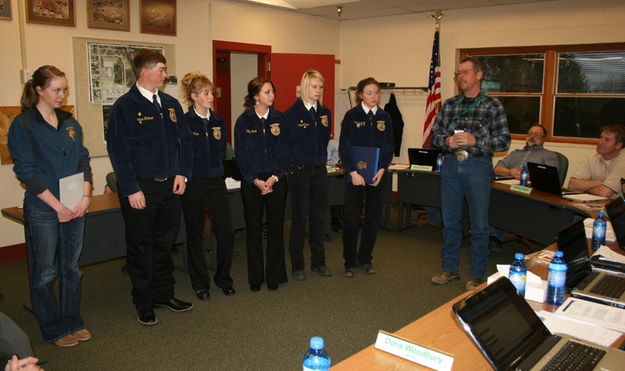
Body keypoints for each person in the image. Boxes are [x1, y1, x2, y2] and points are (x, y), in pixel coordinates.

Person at [106, 49, 193, 326]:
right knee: (141, 246)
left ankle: (163, 294)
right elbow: (119, 153)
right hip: (140, 187)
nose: (165, 75)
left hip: (169, 186)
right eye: (161, 69)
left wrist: (182, 173)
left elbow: (184, 142)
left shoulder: (169, 104)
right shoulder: (125, 107)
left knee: (164, 244)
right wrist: (131, 189)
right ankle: (143, 302)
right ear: (145, 71)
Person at [7, 65, 92, 347]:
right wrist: (58, 207)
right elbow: (26, 172)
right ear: (39, 90)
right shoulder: (24, 124)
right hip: (44, 207)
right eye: (56, 90)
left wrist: (86, 197)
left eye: (64, 89)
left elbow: (82, 160)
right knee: (45, 271)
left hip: (74, 204)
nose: (62, 95)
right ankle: (53, 327)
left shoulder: (70, 122)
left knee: (71, 267)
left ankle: (72, 320)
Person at [431, 56, 510, 290]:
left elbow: (504, 141)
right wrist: (447, 141)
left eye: (465, 72)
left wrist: (476, 140)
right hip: (451, 165)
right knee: (451, 221)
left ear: (479, 75)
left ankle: (476, 274)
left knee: (479, 224)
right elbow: (435, 136)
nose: (461, 77)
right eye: (458, 73)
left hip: (477, 167)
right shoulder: (449, 104)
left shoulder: (492, 106)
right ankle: (450, 268)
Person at [179, 72, 235, 300]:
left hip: (216, 182)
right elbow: (181, 153)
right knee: (196, 234)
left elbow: (222, 151)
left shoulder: (218, 121)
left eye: (211, 92)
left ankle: (223, 278)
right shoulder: (184, 121)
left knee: (225, 233)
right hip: (194, 183)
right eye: (205, 93)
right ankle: (200, 283)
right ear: (193, 96)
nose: (211, 96)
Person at [234, 77, 288, 291]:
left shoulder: (280, 119)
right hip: (252, 181)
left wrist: (275, 177)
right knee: (253, 230)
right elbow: (241, 156)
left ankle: (274, 275)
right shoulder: (243, 121)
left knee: (275, 229)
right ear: (255, 96)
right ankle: (255, 278)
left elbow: (285, 152)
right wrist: (255, 180)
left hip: (276, 179)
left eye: (272, 91)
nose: (272, 95)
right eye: (267, 92)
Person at [339, 77, 394, 277]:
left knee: (372, 218)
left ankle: (365, 259)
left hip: (377, 176)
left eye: (376, 92)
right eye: (369, 92)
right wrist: (352, 171)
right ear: (360, 94)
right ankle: (349, 262)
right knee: (352, 219)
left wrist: (382, 169)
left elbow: (389, 147)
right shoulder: (351, 116)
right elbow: (344, 146)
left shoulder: (385, 117)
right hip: (355, 176)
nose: (373, 96)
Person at [285, 70, 332, 281]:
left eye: (320, 87)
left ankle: (318, 262)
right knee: (299, 217)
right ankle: (297, 264)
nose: (318, 90)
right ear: (304, 87)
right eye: (314, 86)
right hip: (300, 171)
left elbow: (323, 142)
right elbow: (286, 146)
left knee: (319, 216)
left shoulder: (324, 113)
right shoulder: (291, 114)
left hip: (319, 169)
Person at [489, 124, 558, 251]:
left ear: (544, 139)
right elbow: (497, 168)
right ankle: (492, 235)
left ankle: (495, 236)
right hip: (508, 188)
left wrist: (525, 175)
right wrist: (510, 172)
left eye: (537, 134)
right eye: (530, 133)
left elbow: (549, 177)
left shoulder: (549, 155)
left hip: (531, 193)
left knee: (506, 202)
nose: (532, 136)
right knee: (492, 196)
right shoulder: (516, 153)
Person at [568, 124, 625, 199]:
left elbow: (604, 192)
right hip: (595, 203)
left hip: (617, 207)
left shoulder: (623, 160)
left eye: (607, 140)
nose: (600, 142)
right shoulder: (592, 156)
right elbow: (572, 185)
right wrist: (600, 182)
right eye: (601, 138)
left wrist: (585, 188)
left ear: (618, 145)